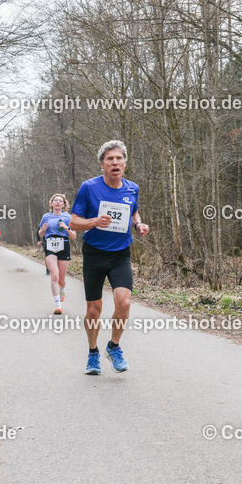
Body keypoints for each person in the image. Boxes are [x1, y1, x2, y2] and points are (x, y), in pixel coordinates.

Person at [70, 141, 150, 375]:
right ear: (102, 164)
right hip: (94, 254)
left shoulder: (132, 188)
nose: (115, 162)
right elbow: (74, 221)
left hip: (120, 254)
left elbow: (133, 211)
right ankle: (93, 352)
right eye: (110, 159)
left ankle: (113, 347)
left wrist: (138, 225)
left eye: (119, 158)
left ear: (125, 163)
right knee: (94, 310)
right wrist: (95, 221)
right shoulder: (89, 187)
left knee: (124, 302)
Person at [37, 195, 77, 314]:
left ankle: (62, 289)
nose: (58, 202)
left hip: (64, 245)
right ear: (52, 203)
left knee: (61, 280)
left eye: (60, 201)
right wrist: (43, 229)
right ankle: (58, 305)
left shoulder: (68, 217)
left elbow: (74, 236)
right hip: (50, 246)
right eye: (55, 200)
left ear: (64, 204)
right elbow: (40, 234)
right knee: (54, 276)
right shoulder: (46, 217)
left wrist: (66, 227)